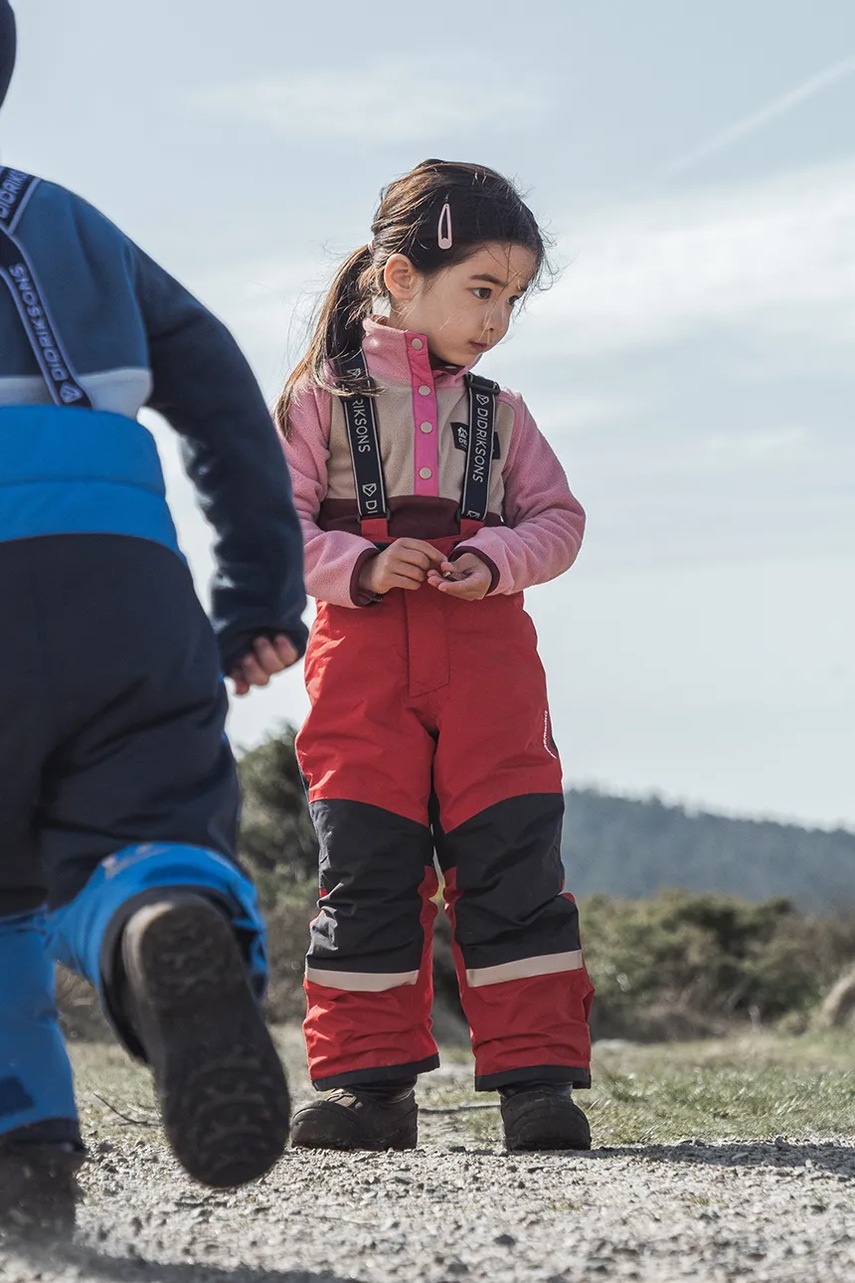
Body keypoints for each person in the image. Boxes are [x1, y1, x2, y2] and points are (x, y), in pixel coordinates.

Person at [0, 0, 307, 1226]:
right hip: (119, 581)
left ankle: (24, 1142)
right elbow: (223, 394)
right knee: (142, 829)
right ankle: (153, 918)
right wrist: (258, 595)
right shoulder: (69, 222)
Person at [277, 158, 595, 1153]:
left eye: (512, 298)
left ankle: (538, 1086)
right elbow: (272, 531)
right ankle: (368, 1092)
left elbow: (560, 520)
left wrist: (495, 557)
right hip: (360, 673)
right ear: (401, 277)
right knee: (367, 872)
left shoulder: (505, 415)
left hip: (490, 671)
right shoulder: (315, 406)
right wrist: (362, 565)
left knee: (513, 865)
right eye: (482, 289)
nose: (497, 318)